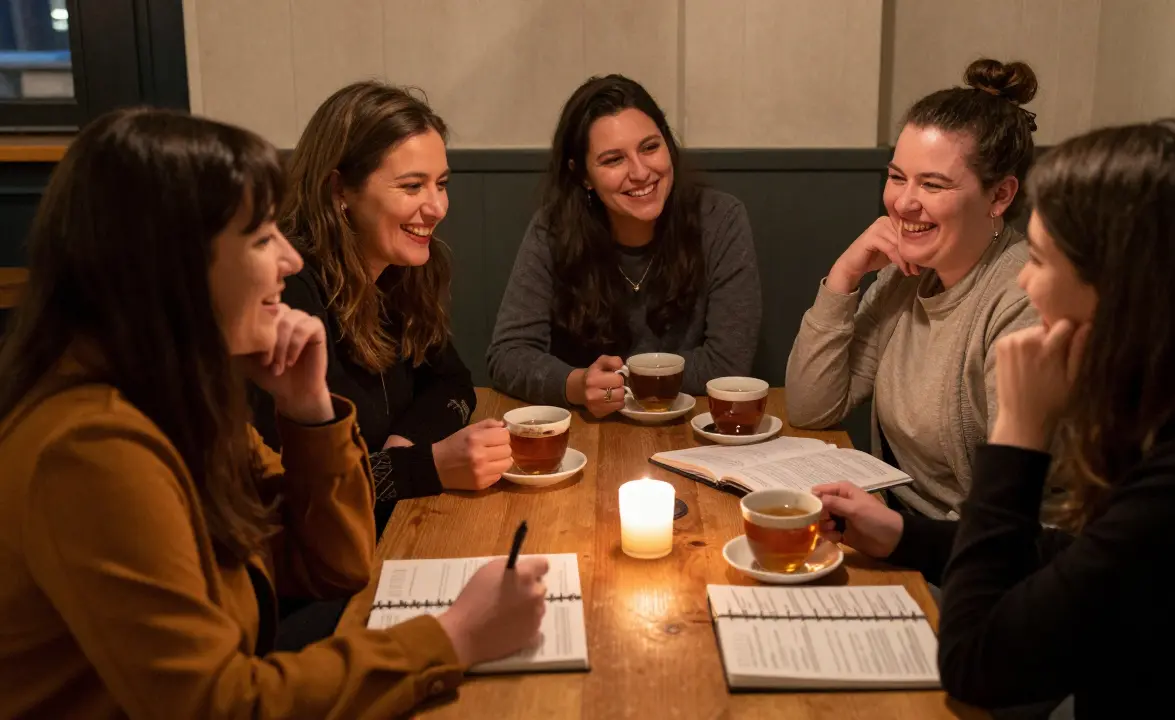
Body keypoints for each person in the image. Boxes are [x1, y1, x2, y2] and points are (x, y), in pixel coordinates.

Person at [0, 108, 548, 718]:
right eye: (262, 238)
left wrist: (309, 410)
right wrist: (453, 638)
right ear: (174, 265)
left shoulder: (180, 399)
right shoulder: (90, 447)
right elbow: (218, 705)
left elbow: (335, 564)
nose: (290, 261)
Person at [811, 119, 1175, 717]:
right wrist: (908, 535)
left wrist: (1018, 434)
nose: (1027, 283)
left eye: (1038, 258)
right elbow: (1084, 559)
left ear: (1125, 289)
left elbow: (976, 664)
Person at [786, 58, 1043, 520]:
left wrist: (898, 539)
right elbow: (811, 406)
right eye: (897, 176)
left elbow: (1015, 516)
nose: (904, 202)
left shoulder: (1023, 302)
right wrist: (844, 275)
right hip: (897, 528)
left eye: (933, 184)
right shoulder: (907, 274)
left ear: (1000, 196)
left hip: (964, 559)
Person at [257, 81, 511, 538]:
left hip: (383, 531)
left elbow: (452, 382)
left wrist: (404, 447)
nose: (436, 207)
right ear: (341, 191)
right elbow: (289, 491)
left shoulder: (399, 269)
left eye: (441, 184)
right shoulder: (288, 296)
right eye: (412, 186)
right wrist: (424, 467)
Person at [487, 74, 762, 417]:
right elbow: (508, 354)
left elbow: (727, 362)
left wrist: (619, 378)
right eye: (613, 159)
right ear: (583, 175)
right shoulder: (552, 230)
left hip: (694, 427)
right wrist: (577, 383)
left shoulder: (720, 219)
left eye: (650, 147)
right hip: (586, 430)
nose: (640, 172)